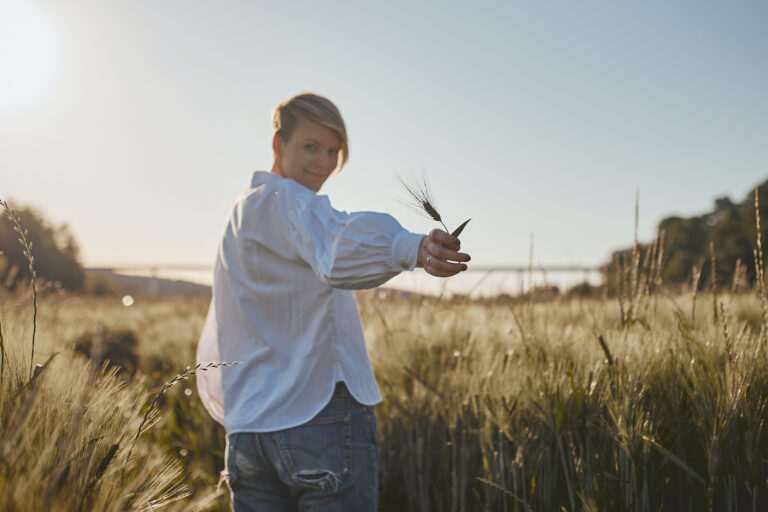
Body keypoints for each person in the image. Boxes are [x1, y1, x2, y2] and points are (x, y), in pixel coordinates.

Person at [196, 92, 471, 511]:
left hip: (248, 434)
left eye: (333, 151)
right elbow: (335, 243)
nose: (324, 163)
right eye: (311, 147)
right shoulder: (289, 202)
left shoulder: (238, 216)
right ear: (277, 145)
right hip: (316, 417)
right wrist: (408, 247)